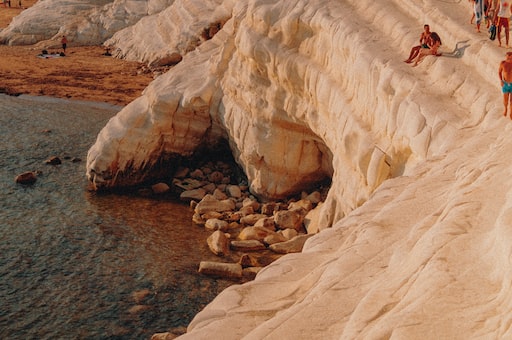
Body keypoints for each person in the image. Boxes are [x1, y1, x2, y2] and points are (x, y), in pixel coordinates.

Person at [499, 52, 512, 118]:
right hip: (505, 84)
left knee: (511, 100)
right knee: (505, 100)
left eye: (510, 56)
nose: (509, 57)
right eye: (507, 56)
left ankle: (511, 112)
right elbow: (499, 72)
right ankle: (506, 109)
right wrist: (501, 80)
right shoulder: (503, 63)